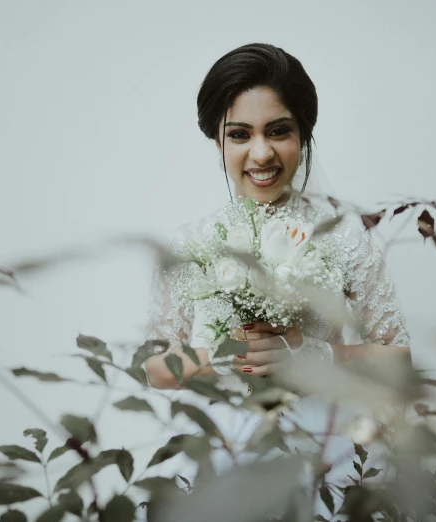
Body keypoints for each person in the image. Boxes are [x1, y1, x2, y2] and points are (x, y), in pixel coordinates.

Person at [143, 43, 411, 390]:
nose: (261, 153)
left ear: (302, 135)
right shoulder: (188, 243)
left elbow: (398, 359)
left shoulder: (344, 237)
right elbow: (154, 368)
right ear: (217, 142)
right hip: (223, 434)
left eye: (278, 131)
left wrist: (307, 354)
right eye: (239, 134)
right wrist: (227, 356)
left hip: (322, 434)